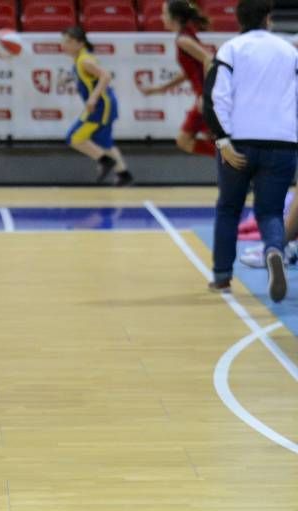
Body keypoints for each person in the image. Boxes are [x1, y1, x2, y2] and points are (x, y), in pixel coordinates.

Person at [204, 0, 298, 301]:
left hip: (240, 142)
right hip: (282, 144)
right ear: (268, 18)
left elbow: (214, 97)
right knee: (270, 211)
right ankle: (274, 251)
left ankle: (221, 277)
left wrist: (223, 139)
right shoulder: (290, 51)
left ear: (238, 18)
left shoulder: (231, 49)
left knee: (229, 208)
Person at [140, 0, 215, 157]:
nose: (161, 17)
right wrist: (159, 89)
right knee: (214, 140)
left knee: (184, 140)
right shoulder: (186, 35)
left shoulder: (183, 40)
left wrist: (205, 95)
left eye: (164, 13)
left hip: (207, 98)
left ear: (175, 18)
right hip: (208, 97)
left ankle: (239, 164)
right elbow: (191, 72)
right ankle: (236, 167)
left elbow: (209, 59)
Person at [61, 26, 134, 186]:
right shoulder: (81, 58)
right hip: (106, 103)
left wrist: (93, 99)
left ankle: (105, 161)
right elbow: (89, 77)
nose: (64, 45)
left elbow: (106, 75)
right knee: (104, 142)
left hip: (101, 106)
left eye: (68, 41)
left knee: (74, 137)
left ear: (80, 43)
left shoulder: (84, 60)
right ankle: (124, 174)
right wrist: (69, 78)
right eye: (63, 41)